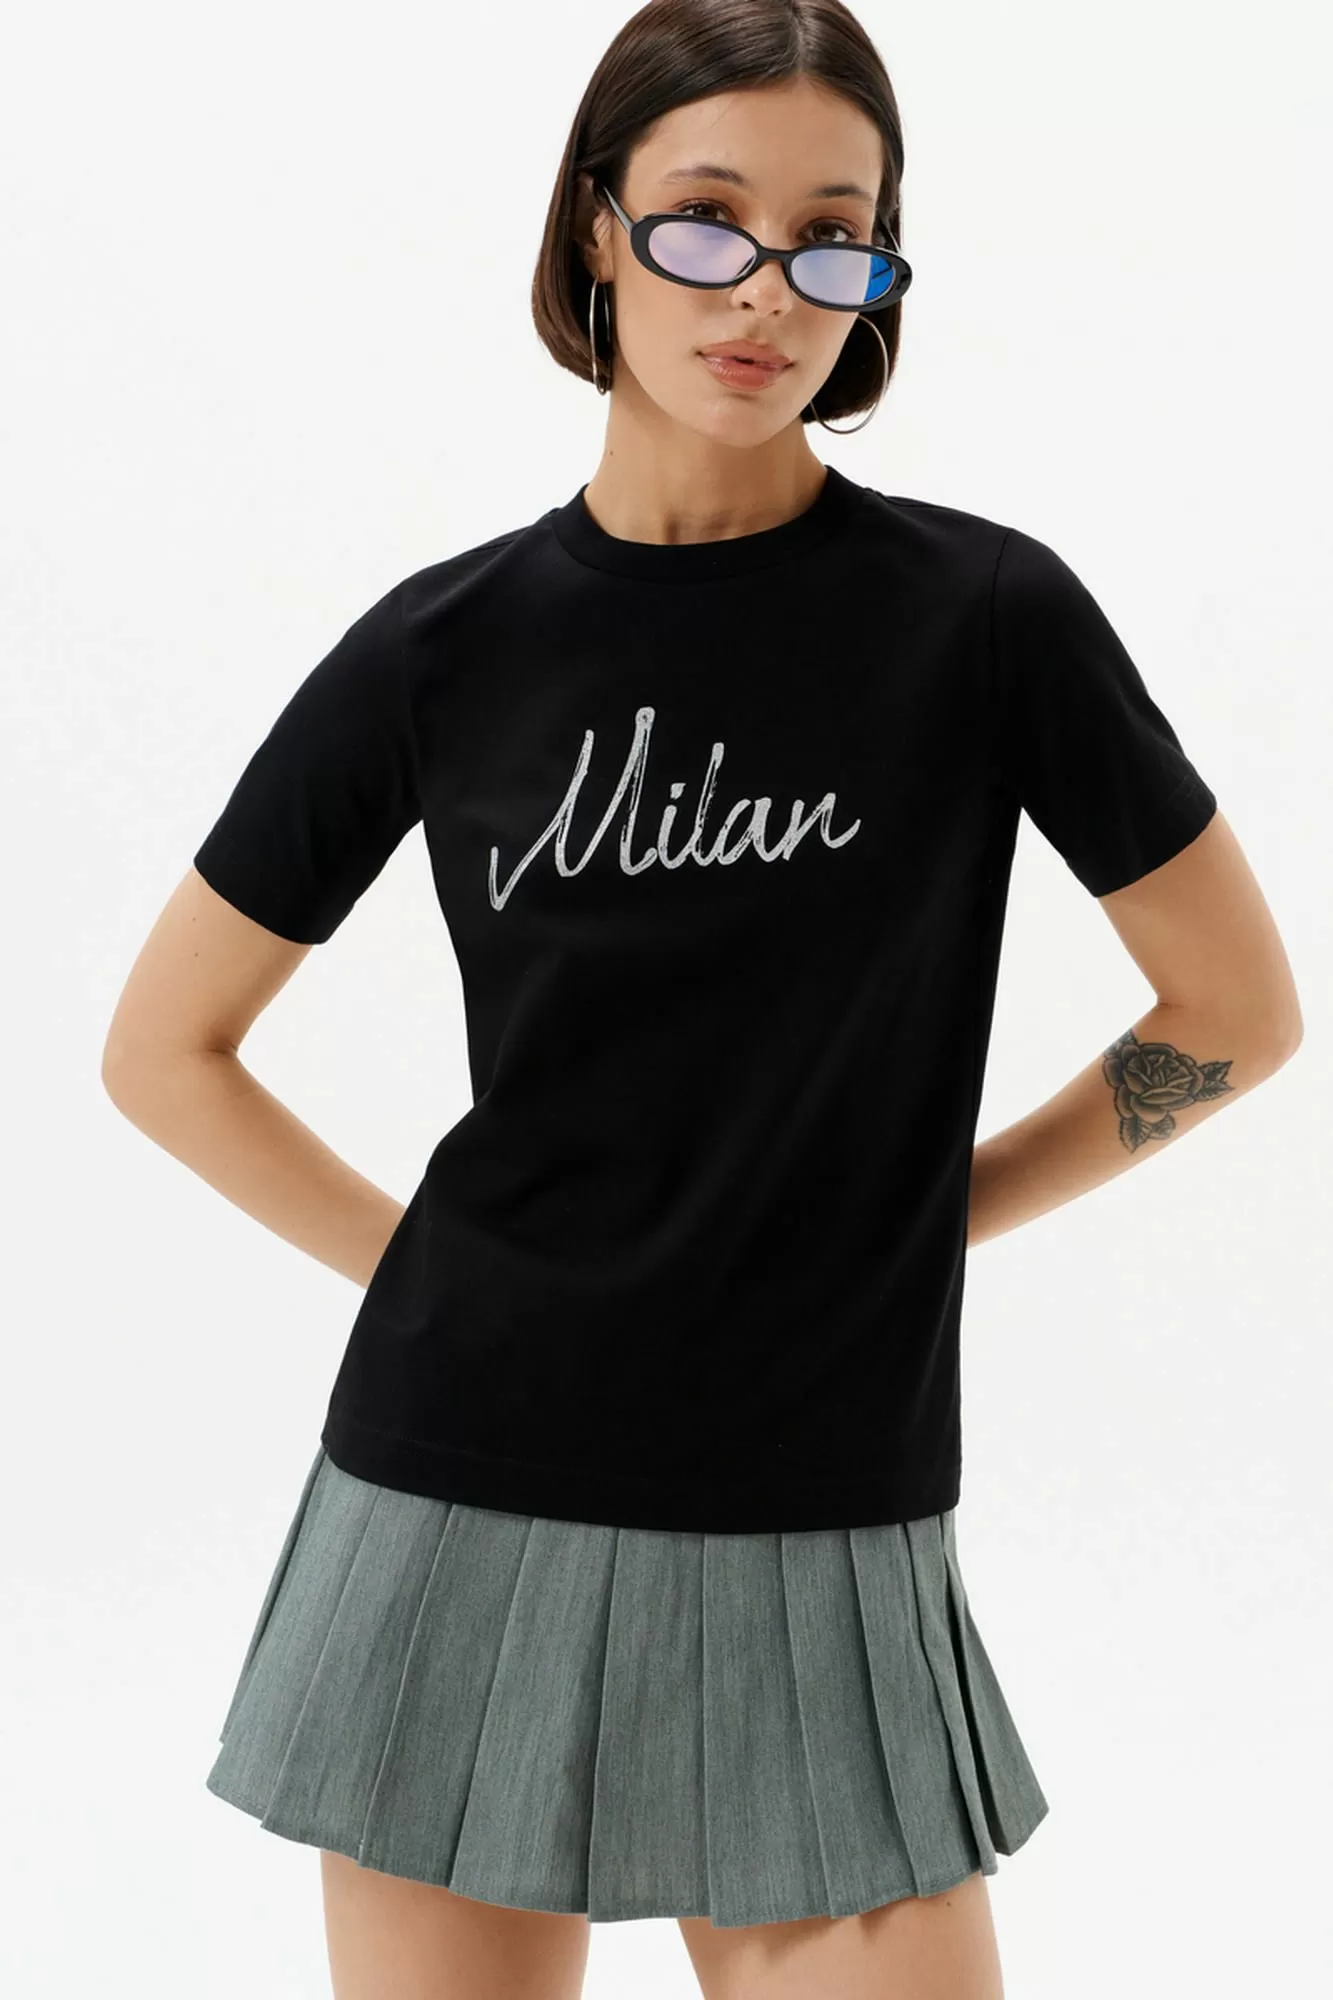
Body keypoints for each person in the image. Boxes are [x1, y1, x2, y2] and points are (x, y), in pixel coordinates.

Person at [101, 4, 1302, 1997]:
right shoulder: (442, 648)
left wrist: (931, 1214)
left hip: (822, 1508)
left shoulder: (987, 622)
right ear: (597, 230)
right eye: (705, 218)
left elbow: (1234, 1012)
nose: (763, 290)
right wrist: (443, 1279)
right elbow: (164, 1051)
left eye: (833, 237)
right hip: (453, 1488)